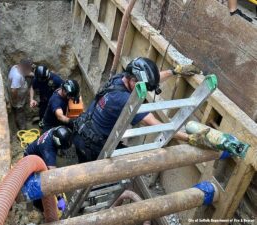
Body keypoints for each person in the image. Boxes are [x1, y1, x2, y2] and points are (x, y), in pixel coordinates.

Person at [72, 57, 203, 163]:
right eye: (144, 87)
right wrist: (188, 137)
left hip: (83, 131)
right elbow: (156, 125)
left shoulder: (121, 78)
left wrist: (174, 71)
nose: (145, 90)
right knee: (96, 175)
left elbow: (150, 79)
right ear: (133, 80)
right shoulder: (123, 99)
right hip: (91, 146)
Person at [24, 126, 72, 212]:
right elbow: (53, 176)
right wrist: (60, 198)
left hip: (37, 153)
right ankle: (38, 205)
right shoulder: (48, 150)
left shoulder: (56, 130)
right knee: (38, 186)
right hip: (30, 161)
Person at [8, 58, 33, 130]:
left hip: (21, 89)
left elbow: (25, 73)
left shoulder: (16, 67)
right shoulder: (17, 77)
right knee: (19, 111)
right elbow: (14, 90)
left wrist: (33, 74)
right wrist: (16, 99)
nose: (30, 69)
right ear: (24, 67)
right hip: (18, 98)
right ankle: (22, 129)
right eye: (29, 67)